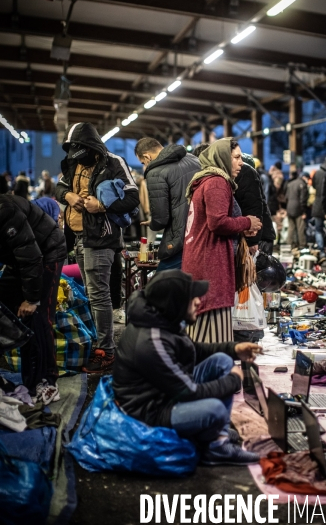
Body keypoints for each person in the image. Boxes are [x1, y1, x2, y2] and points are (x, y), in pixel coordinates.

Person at [112, 269, 261, 466]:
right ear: (176, 303)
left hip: (165, 393)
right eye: (192, 298)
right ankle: (216, 449)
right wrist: (233, 380)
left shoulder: (162, 318)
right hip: (151, 412)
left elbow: (193, 350)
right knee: (214, 410)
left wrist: (234, 349)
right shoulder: (151, 342)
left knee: (222, 361)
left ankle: (217, 435)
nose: (199, 301)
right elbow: (188, 391)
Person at [55, 121, 139, 373]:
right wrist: (67, 196)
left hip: (101, 239)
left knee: (99, 296)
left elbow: (133, 198)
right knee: (93, 295)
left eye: (82, 153)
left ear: (93, 148)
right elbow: (60, 186)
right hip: (79, 238)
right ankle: (98, 345)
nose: (78, 159)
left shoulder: (113, 162)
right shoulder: (73, 162)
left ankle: (106, 351)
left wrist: (103, 206)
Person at [182, 138, 262, 343]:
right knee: (211, 333)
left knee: (200, 329)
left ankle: (200, 368)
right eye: (235, 157)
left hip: (201, 259)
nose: (241, 162)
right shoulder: (217, 182)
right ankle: (209, 370)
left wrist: (242, 229)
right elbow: (217, 223)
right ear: (223, 158)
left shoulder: (206, 180)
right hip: (210, 263)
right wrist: (246, 222)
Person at [0, 194, 67, 403]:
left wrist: (31, 299)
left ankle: (46, 383)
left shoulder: (4, 211)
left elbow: (31, 256)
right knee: (5, 308)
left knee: (37, 315)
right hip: (19, 258)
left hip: (47, 252)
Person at [134, 138, 200, 271]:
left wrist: (153, 223)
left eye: (143, 162)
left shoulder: (155, 172)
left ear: (147, 156)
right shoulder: (192, 158)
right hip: (202, 232)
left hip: (180, 238)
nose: (144, 166)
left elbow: (161, 220)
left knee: (161, 284)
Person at [312, 156, 326, 264]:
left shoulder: (317, 172)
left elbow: (314, 186)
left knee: (318, 230)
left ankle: (321, 253)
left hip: (318, 204)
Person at [285, 169, 308, 249]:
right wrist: (303, 212)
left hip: (289, 208)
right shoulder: (302, 184)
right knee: (300, 228)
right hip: (298, 209)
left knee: (291, 228)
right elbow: (303, 200)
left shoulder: (290, 184)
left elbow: (286, 197)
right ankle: (302, 245)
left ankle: (289, 245)